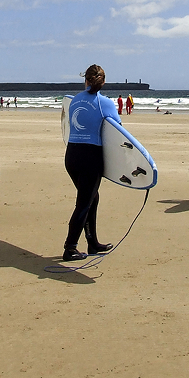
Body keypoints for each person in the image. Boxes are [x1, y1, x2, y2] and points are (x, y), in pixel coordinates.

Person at [62, 64, 119, 261]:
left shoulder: (75, 100)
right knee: (84, 203)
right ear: (103, 82)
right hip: (90, 156)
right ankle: (70, 248)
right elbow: (117, 133)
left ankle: (92, 242)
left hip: (71, 155)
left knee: (91, 198)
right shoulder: (106, 104)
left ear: (85, 79)